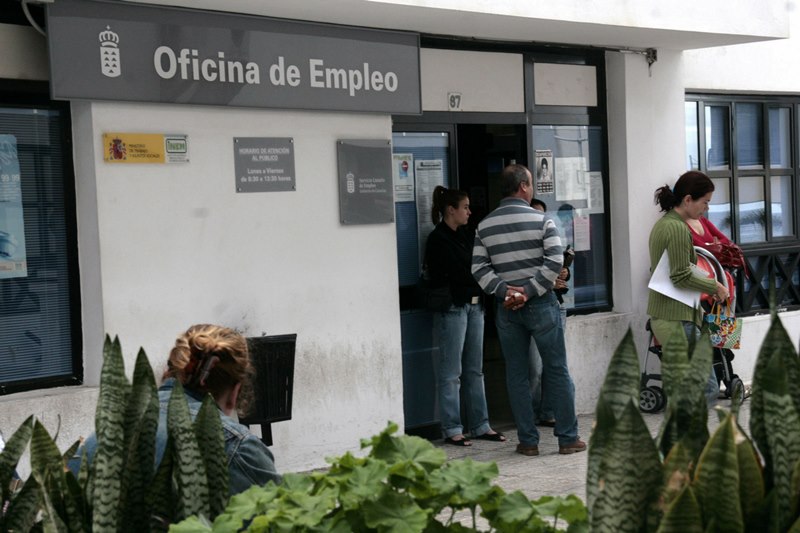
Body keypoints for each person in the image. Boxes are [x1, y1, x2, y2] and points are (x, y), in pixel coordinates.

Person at [71, 324, 281, 493]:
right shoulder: (236, 446)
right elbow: (278, 520)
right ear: (236, 390)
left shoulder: (106, 433)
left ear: (168, 371)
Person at [472, 164, 585, 457]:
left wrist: (506, 291)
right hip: (541, 304)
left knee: (517, 374)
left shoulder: (484, 226)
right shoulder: (543, 221)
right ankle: (568, 438)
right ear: (523, 186)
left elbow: (479, 268)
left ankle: (528, 441)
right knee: (556, 370)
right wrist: (529, 290)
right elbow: (555, 261)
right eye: (531, 183)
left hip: (507, 308)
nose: (532, 188)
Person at [424, 186, 506, 447]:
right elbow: (456, 272)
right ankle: (452, 428)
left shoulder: (469, 235)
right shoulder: (438, 239)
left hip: (475, 306)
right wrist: (473, 275)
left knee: (475, 370)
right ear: (451, 210)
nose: (469, 212)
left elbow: (480, 266)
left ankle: (481, 425)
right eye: (465, 207)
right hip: (454, 308)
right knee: (452, 372)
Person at [649, 171, 729, 407]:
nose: (706, 208)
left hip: (674, 316)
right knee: (707, 388)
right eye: (705, 202)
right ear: (687, 200)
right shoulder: (676, 228)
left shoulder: (665, 225)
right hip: (677, 318)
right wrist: (715, 286)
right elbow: (680, 274)